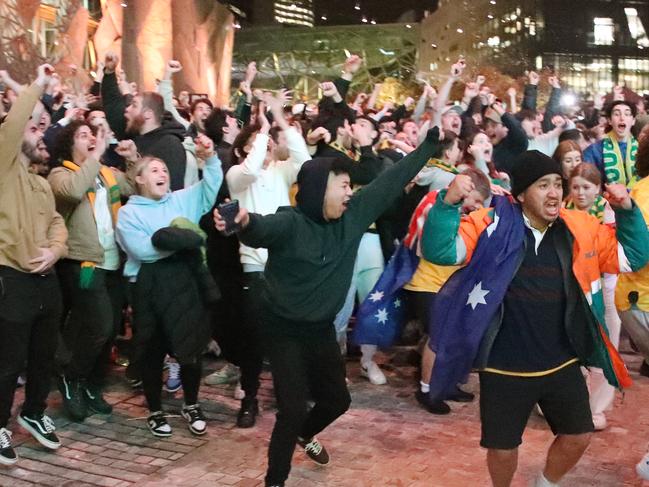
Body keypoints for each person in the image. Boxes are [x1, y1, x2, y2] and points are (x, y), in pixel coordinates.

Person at [214, 126, 445, 487]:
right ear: (321, 190)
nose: (350, 194)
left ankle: (306, 435)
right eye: (343, 187)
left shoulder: (352, 217)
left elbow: (393, 179)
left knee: (337, 400)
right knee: (290, 409)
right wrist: (242, 222)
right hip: (282, 327)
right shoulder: (290, 222)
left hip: (319, 328)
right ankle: (275, 480)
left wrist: (429, 145)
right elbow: (260, 227)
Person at [421, 150, 649, 487]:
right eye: (544, 185)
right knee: (501, 448)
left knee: (579, 435)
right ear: (522, 193)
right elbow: (441, 251)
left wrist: (628, 212)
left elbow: (633, 257)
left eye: (558, 183)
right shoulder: (490, 224)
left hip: (561, 360)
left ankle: (545, 483)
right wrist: (447, 204)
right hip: (504, 365)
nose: (555, 193)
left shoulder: (580, 227)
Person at [115, 134, 222, 438]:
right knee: (152, 350)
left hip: (185, 284)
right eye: (154, 170)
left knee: (189, 348)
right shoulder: (129, 213)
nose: (163, 174)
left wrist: (211, 157)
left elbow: (211, 186)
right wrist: (187, 239)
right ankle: (155, 409)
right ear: (139, 179)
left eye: (164, 170)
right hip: (148, 288)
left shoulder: (181, 199)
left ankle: (191, 403)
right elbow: (144, 252)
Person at [0, 64, 68, 465]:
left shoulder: (40, 184)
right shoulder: (3, 171)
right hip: (12, 278)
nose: (38, 132)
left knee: (45, 356)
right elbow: (14, 125)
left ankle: (34, 412)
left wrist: (55, 251)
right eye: (32, 128)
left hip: (47, 280)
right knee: (8, 362)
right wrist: (38, 85)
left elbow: (58, 224)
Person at [48, 120, 132, 422]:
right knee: (98, 325)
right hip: (84, 264)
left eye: (92, 135)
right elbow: (71, 192)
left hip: (112, 261)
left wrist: (132, 157)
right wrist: (96, 157)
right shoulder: (60, 174)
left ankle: (93, 386)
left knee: (108, 332)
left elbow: (134, 184)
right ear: (69, 145)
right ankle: (72, 377)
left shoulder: (106, 173)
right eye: (83, 136)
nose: (90, 139)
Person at [564, 163, 620, 431]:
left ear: (598, 189)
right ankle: (563, 404)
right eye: (575, 187)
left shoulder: (608, 215)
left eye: (586, 187)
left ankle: (596, 408)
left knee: (604, 348)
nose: (580, 193)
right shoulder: (562, 212)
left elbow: (614, 256)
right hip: (571, 290)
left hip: (603, 288)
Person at [583, 100, 638, 188]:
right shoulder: (594, 150)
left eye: (627, 114)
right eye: (616, 114)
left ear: (633, 121)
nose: (622, 118)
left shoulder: (642, 149)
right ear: (609, 120)